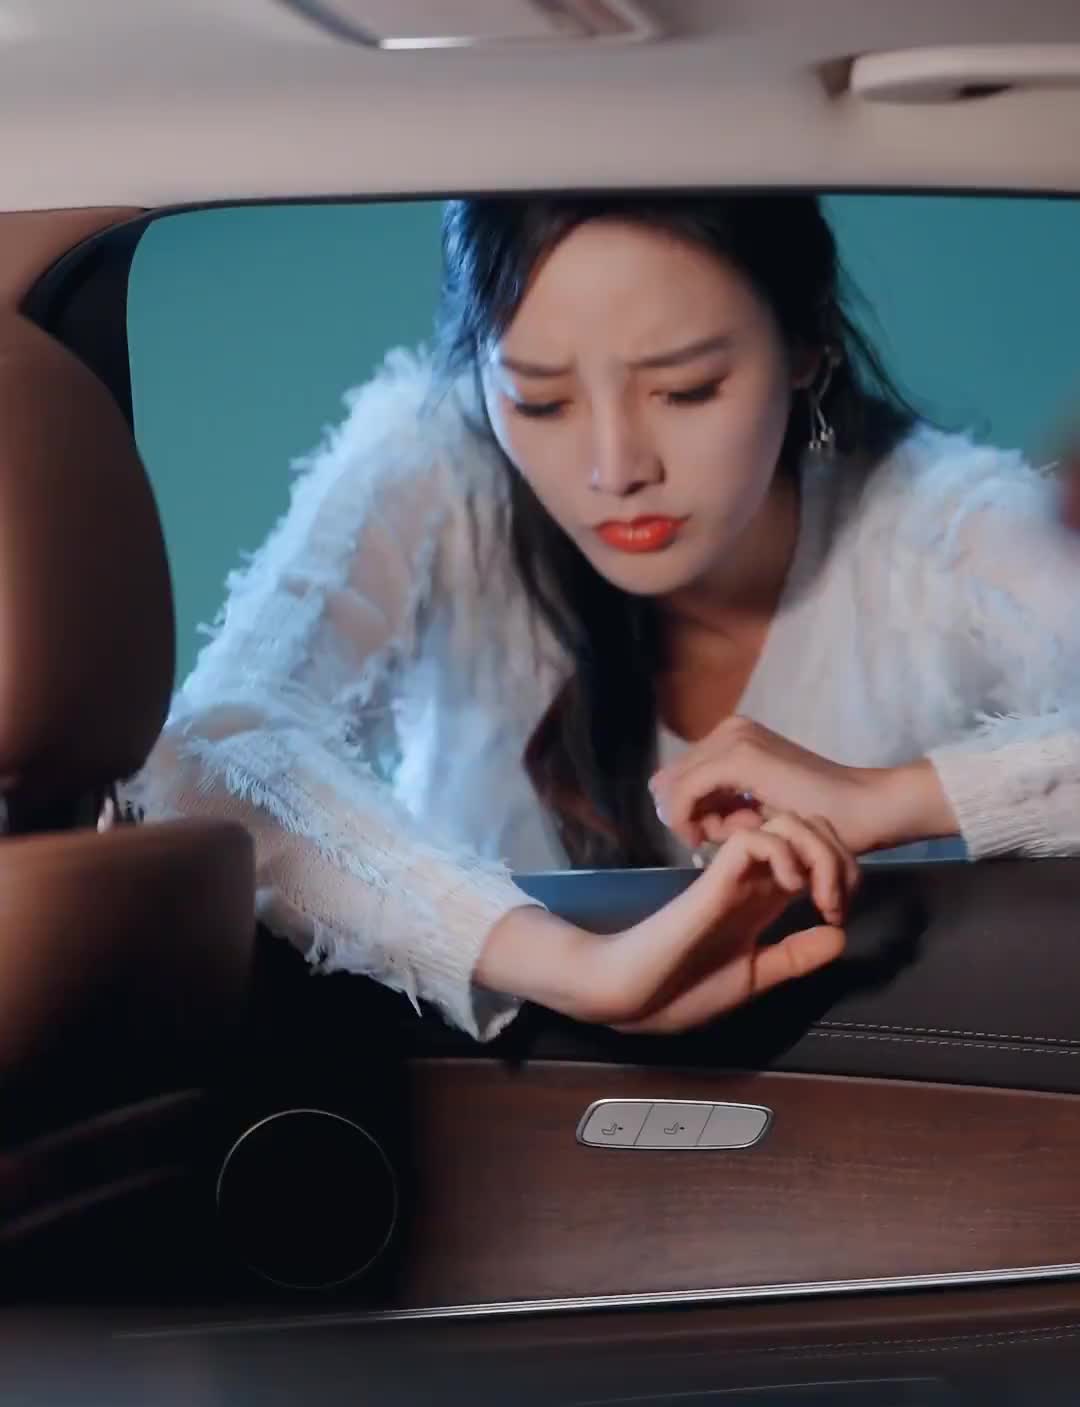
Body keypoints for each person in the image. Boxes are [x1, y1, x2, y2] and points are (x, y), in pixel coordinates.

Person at [130, 193, 1080, 1041]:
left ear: (805, 346)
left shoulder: (936, 521)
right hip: (497, 1109)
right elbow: (206, 753)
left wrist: (892, 799)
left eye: (686, 389)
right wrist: (581, 970)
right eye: (540, 401)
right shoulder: (434, 460)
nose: (615, 468)